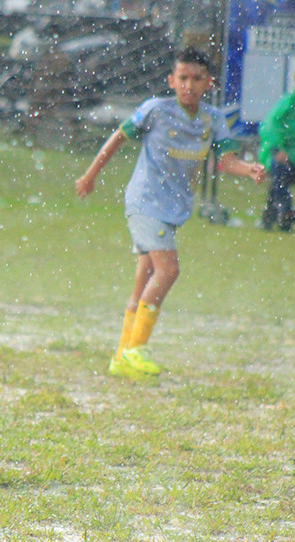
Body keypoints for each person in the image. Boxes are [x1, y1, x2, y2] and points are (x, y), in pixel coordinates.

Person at [75, 46, 265, 380]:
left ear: (208, 83)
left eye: (196, 79)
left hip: (173, 208)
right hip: (145, 201)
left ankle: (121, 357)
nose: (189, 85)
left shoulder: (212, 119)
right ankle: (137, 349)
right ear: (171, 80)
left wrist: (248, 169)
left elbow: (225, 161)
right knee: (169, 269)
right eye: (183, 78)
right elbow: (118, 137)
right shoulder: (155, 110)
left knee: (144, 280)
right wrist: (90, 175)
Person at [257, 89, 295, 231]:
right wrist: (277, 149)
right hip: (283, 156)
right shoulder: (287, 104)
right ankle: (284, 212)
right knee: (280, 175)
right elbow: (269, 126)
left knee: (278, 183)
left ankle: (272, 215)